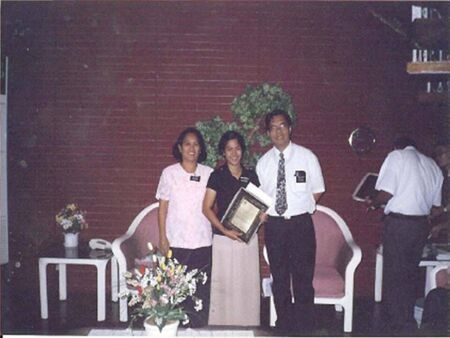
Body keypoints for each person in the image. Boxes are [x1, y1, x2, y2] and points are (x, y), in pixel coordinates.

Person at [256, 109, 325, 334]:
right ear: (268, 132)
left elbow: (317, 190)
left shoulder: (307, 157)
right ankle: (284, 325)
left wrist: (299, 209)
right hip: (275, 227)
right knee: (280, 278)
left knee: (303, 278)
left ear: (290, 128)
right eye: (274, 127)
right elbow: (260, 197)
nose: (279, 131)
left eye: (283, 125)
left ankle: (305, 327)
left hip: (301, 225)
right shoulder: (263, 163)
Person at [367, 136, 444, 334]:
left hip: (399, 225)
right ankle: (406, 322)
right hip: (420, 226)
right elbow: (436, 207)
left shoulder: (397, 156)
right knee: (410, 275)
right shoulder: (433, 166)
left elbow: (386, 193)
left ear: (396, 146)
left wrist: (373, 202)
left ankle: (397, 326)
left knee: (394, 275)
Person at [155, 127, 213, 328]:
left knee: (199, 292)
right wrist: (163, 238)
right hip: (176, 242)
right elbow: (162, 209)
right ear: (180, 147)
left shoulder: (208, 173)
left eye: (196, 144)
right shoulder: (169, 173)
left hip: (202, 241)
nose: (192, 148)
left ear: (201, 149)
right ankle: (175, 330)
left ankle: (198, 330)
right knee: (176, 291)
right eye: (187, 143)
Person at [202, 130, 261, 326]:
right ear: (223, 153)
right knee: (224, 285)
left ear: (242, 151)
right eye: (229, 149)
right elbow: (206, 208)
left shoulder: (251, 175)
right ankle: (221, 327)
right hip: (223, 238)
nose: (234, 153)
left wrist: (263, 217)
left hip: (247, 239)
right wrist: (224, 230)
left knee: (247, 284)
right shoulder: (217, 175)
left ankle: (248, 326)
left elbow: (259, 206)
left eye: (237, 148)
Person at [429, 143, 450, 240]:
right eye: (436, 155)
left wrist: (443, 209)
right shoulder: (442, 175)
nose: (438, 157)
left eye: (441, 153)